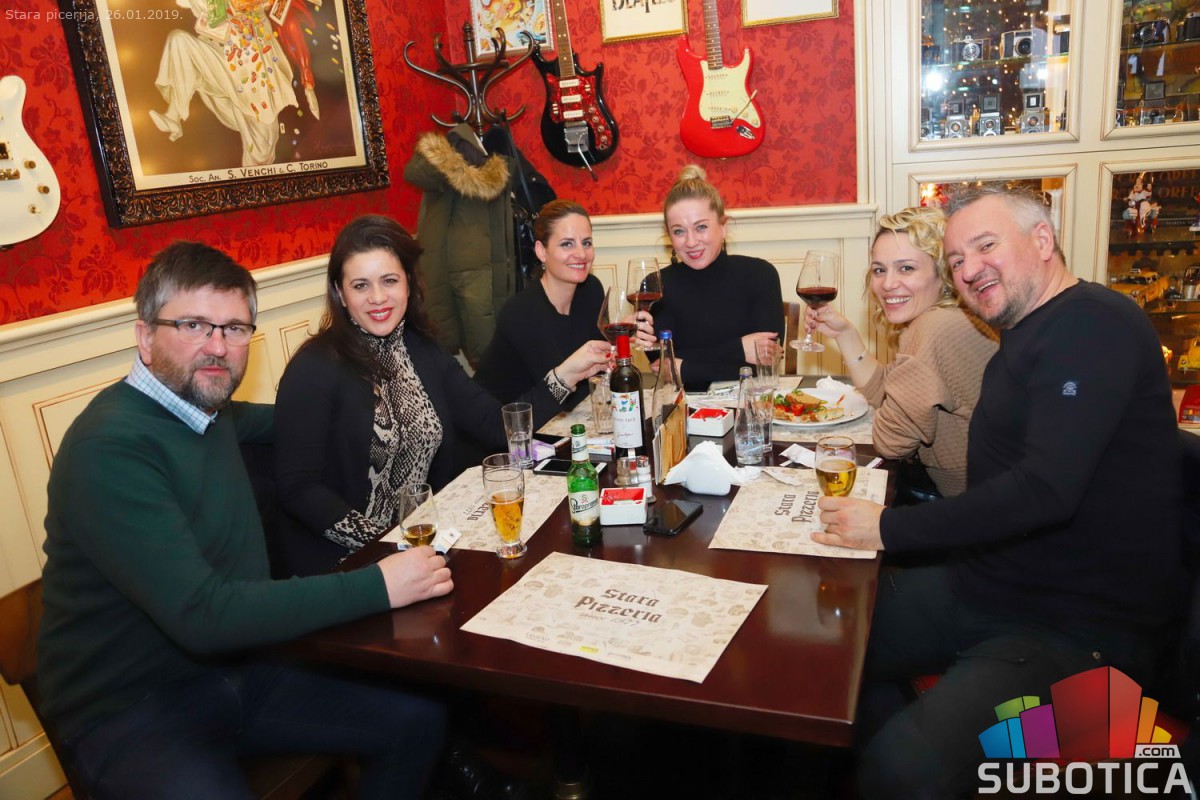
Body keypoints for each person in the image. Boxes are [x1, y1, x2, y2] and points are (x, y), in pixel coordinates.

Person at [36, 242, 453, 800]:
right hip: (131, 708)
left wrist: (391, 416)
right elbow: (204, 615)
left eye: (234, 329)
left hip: (239, 670)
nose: (217, 346)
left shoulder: (211, 413)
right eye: (193, 325)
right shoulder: (109, 448)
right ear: (145, 336)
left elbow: (304, 422)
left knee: (418, 718)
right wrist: (378, 584)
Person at [812, 185, 1184, 798]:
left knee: (900, 769)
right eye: (957, 259)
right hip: (993, 587)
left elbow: (1044, 490)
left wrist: (884, 528)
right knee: (831, 641)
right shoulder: (1025, 331)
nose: (969, 269)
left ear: (1043, 239)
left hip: (1082, 637)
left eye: (986, 246)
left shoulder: (1093, 323)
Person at [274, 214, 605, 576]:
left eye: (389, 281)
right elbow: (298, 488)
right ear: (340, 293)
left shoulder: (422, 350)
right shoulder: (314, 368)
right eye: (360, 286)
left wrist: (566, 374)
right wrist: (383, 545)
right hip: (347, 567)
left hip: (420, 545)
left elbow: (495, 425)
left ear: (408, 283)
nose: (378, 298)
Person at [805, 206, 998, 498]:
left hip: (969, 508)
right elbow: (885, 393)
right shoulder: (955, 317)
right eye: (879, 270)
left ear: (943, 274)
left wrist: (892, 409)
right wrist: (845, 334)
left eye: (906, 268)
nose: (888, 284)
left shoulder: (936, 328)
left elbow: (890, 443)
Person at [639, 165, 784, 391]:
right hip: (683, 406)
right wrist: (739, 349)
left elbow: (764, 363)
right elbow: (664, 367)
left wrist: (684, 366)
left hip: (748, 404)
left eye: (701, 227)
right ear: (669, 235)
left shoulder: (760, 275)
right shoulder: (654, 285)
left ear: (723, 227)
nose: (691, 242)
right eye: (679, 231)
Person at [475, 199, 611, 410]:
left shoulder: (591, 290)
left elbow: (597, 373)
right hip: (502, 421)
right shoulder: (521, 313)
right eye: (567, 244)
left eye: (586, 243)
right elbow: (563, 397)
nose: (582, 254)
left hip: (554, 418)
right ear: (541, 251)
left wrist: (619, 341)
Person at [151, 0, 297, 167]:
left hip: (256, 72)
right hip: (224, 59)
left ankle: (256, 179)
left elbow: (280, 9)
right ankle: (173, 116)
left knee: (262, 152)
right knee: (178, 41)